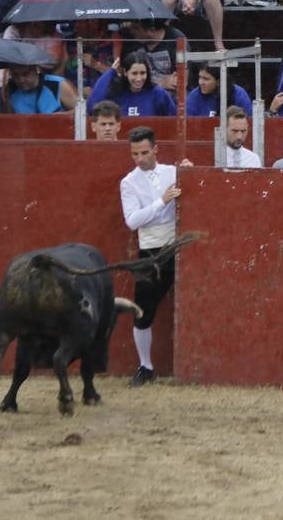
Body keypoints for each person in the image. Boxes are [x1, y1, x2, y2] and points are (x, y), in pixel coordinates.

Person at [120, 126, 191, 386]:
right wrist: (162, 201)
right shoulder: (128, 182)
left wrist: (189, 172)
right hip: (149, 249)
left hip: (177, 244)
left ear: (156, 149)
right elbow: (132, 221)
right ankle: (145, 366)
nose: (140, 159)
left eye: (145, 152)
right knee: (143, 310)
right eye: (135, 154)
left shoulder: (173, 172)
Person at [88, 49, 177, 118]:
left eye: (142, 73)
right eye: (134, 73)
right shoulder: (117, 92)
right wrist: (111, 71)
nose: (139, 78)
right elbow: (94, 104)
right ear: (125, 72)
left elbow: (173, 117)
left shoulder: (157, 92)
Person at [185, 63, 252, 118]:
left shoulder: (238, 94)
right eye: (200, 77)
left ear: (218, 82)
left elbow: (248, 122)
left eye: (206, 79)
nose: (201, 82)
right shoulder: (194, 96)